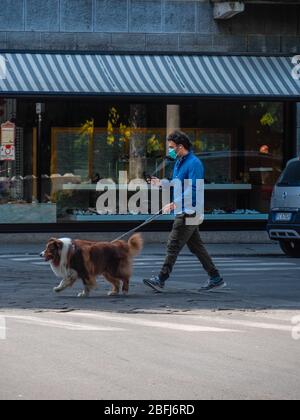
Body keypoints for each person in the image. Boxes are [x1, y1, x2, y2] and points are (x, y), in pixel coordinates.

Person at [143, 130, 225, 292]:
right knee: (196, 247)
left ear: (181, 147)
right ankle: (216, 278)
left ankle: (161, 279)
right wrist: (161, 183)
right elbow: (177, 183)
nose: (170, 151)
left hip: (189, 211)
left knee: (173, 244)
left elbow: (194, 189)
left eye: (172, 147)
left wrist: (174, 203)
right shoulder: (180, 162)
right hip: (186, 209)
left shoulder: (194, 163)